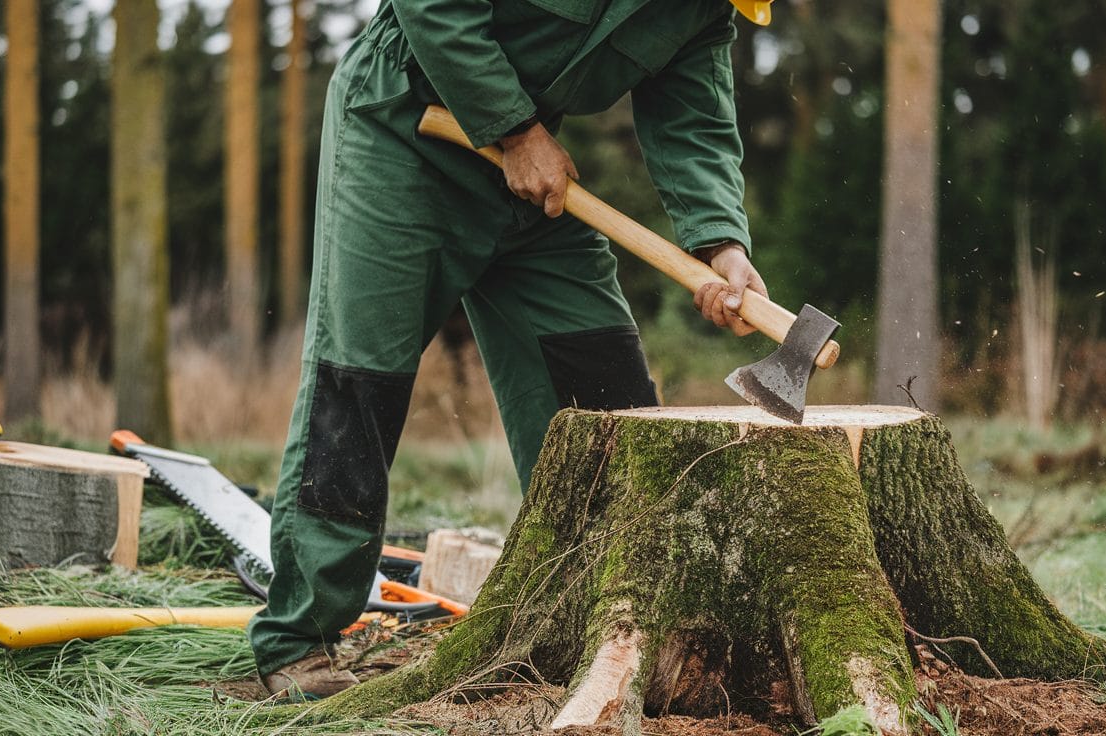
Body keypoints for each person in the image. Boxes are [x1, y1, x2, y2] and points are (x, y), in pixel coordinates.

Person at [249, 0, 776, 699]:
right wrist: (514, 127)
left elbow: (693, 112)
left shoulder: (708, 10)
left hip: (532, 178)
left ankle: (615, 634)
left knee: (603, 409)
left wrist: (721, 241)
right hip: (406, 131)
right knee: (360, 387)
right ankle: (299, 640)